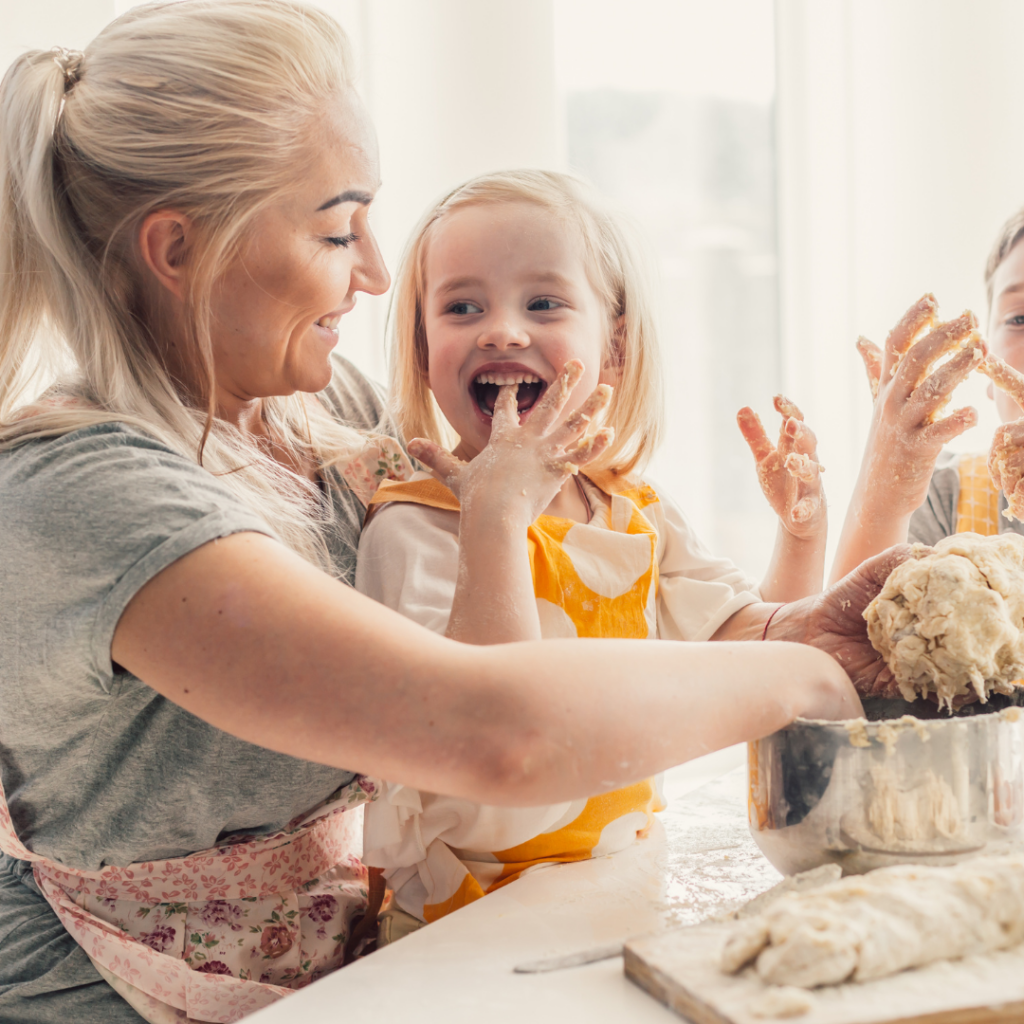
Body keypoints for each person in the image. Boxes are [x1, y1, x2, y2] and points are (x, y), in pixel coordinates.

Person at [0, 1, 894, 1021]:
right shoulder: (84, 496)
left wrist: (792, 606)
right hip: (113, 995)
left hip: (352, 966)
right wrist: (818, 672)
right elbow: (493, 733)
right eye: (338, 229)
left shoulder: (310, 412)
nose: (379, 274)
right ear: (177, 249)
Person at [354, 170, 827, 924]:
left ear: (614, 347)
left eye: (542, 303)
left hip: (615, 881)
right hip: (461, 916)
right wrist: (498, 517)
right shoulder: (413, 523)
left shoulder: (631, 509)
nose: (502, 330)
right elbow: (484, 735)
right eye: (461, 306)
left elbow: (747, 642)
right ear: (421, 351)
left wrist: (801, 537)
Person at [831, 211, 1024, 583]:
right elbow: (842, 636)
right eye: (1020, 319)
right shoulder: (942, 496)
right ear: (986, 369)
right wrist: (882, 499)